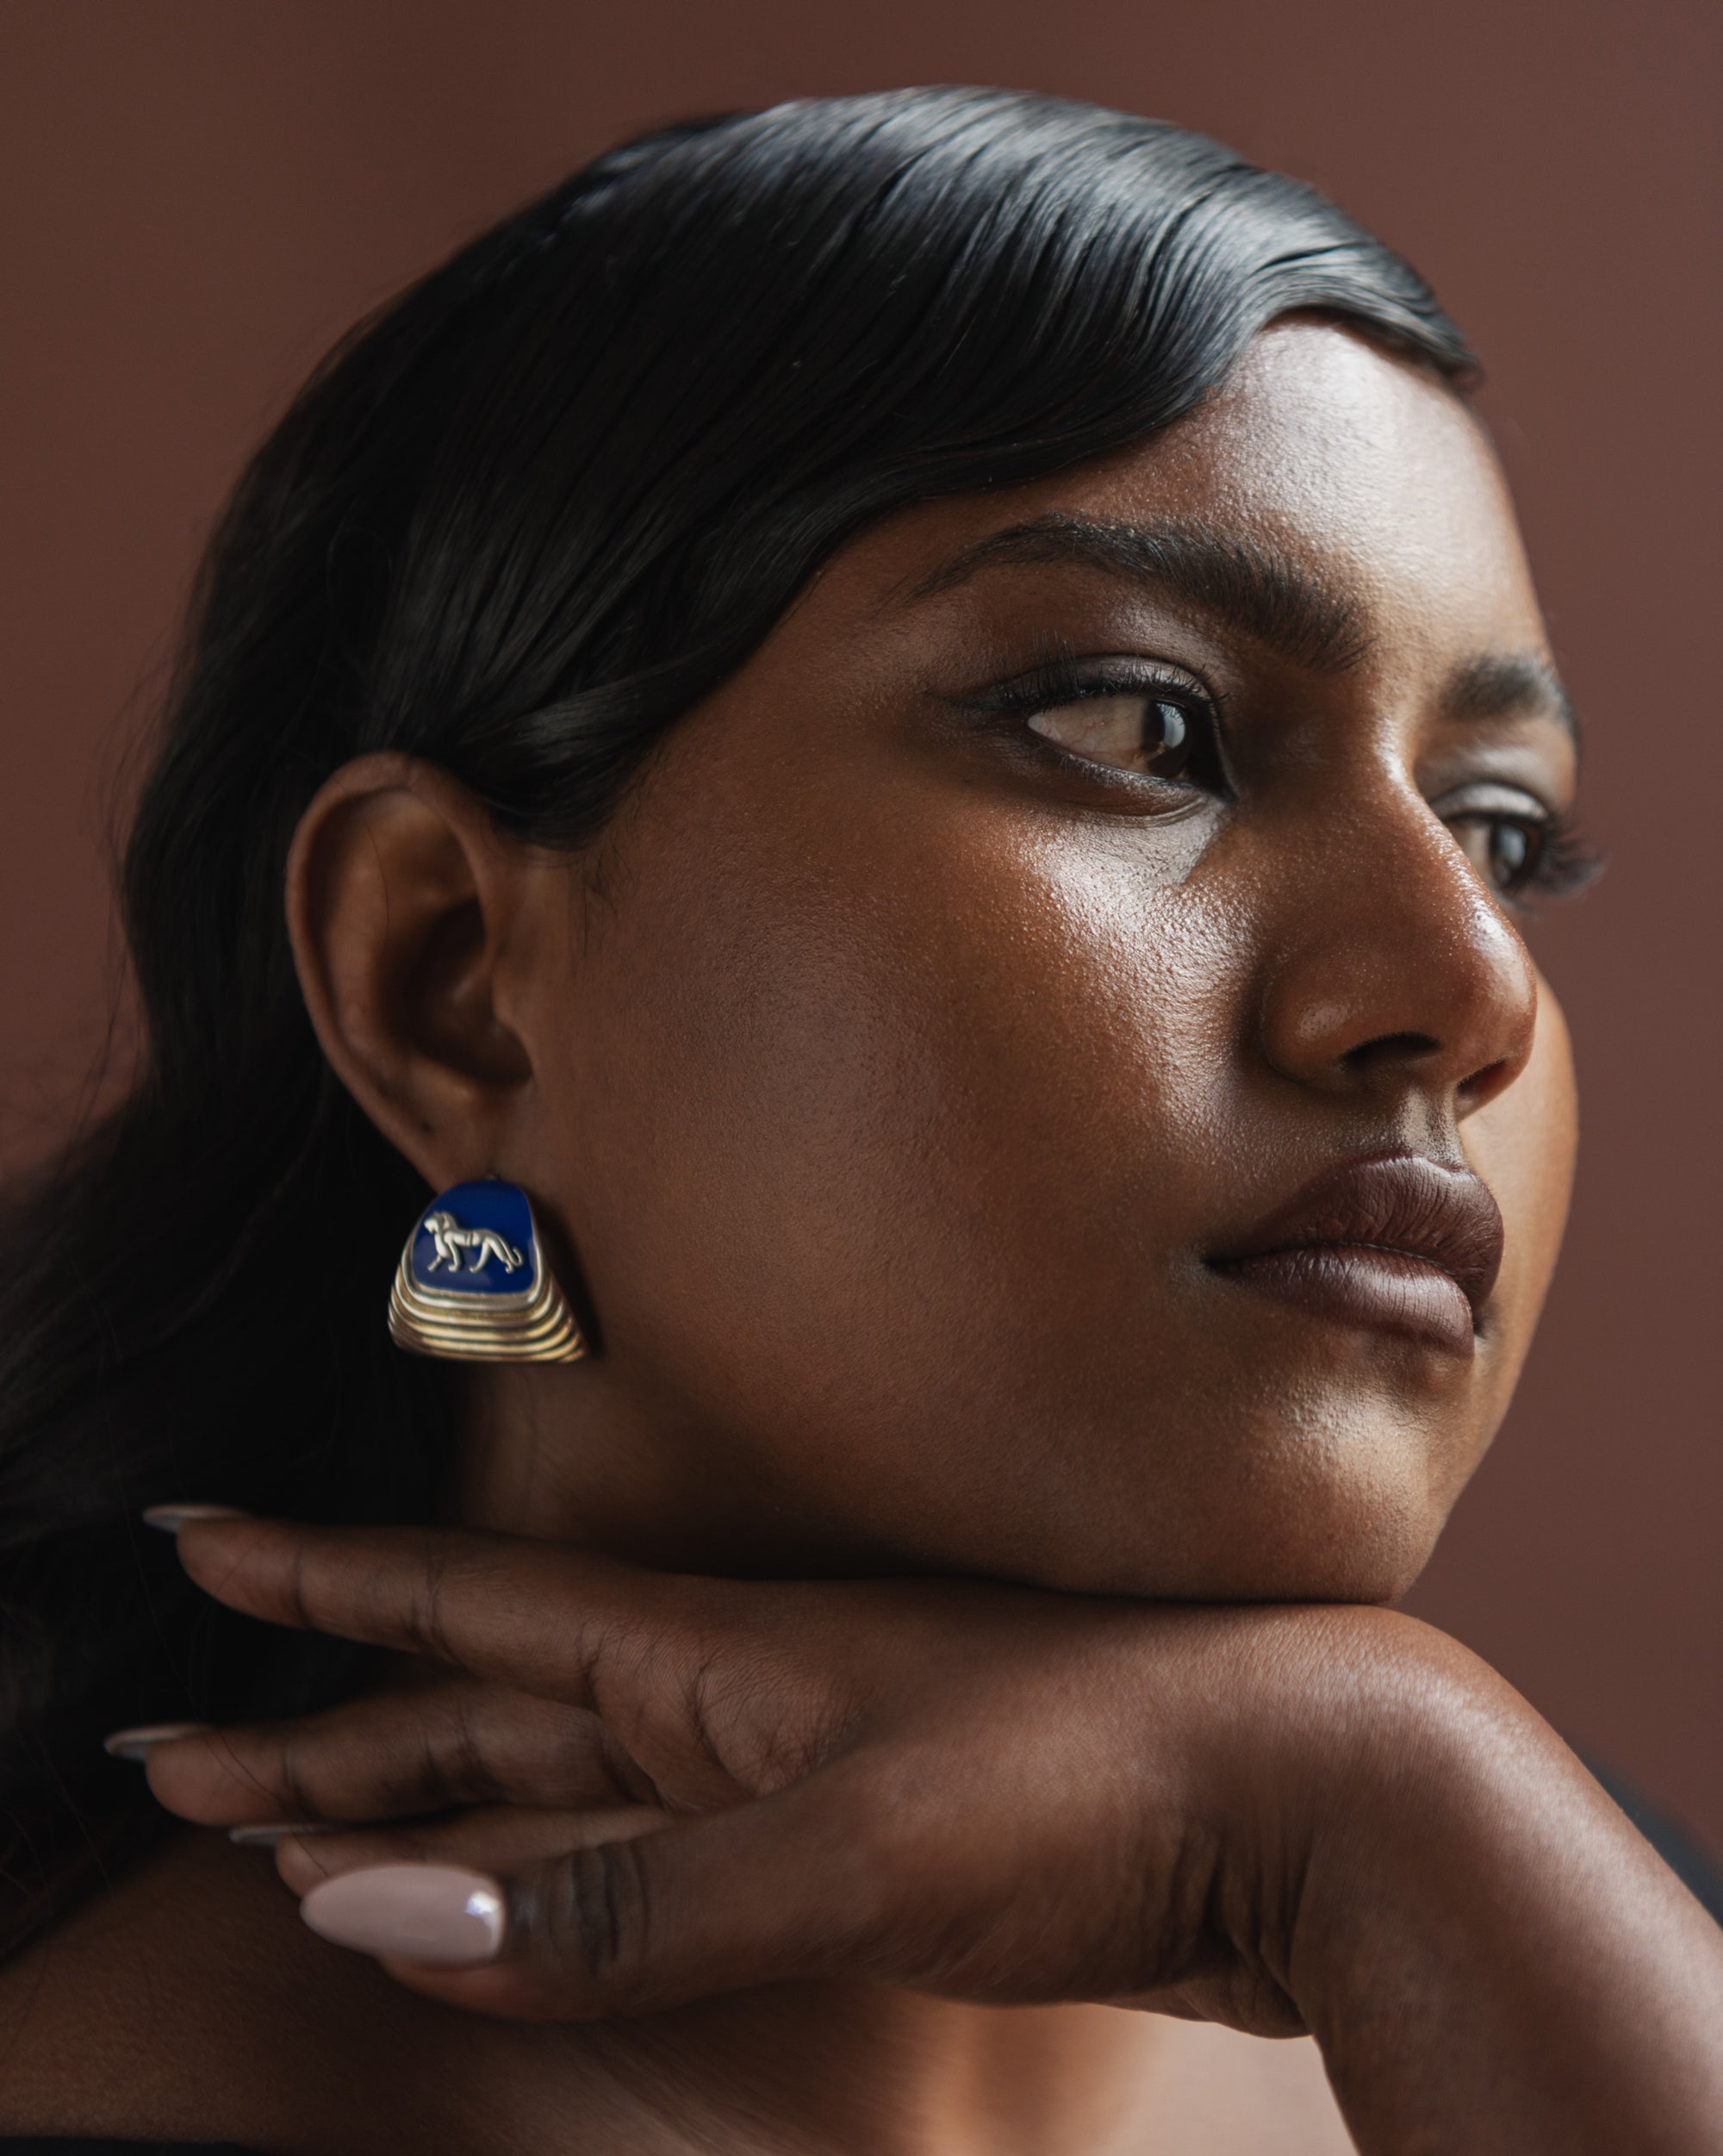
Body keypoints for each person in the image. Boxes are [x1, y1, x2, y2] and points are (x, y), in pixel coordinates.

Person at [0, 88, 1718, 2155]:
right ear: (449, 974)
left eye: (1500, 829)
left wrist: (1392, 1803)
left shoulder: (1525, 1906)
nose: (1469, 983)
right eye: (1142, 724)